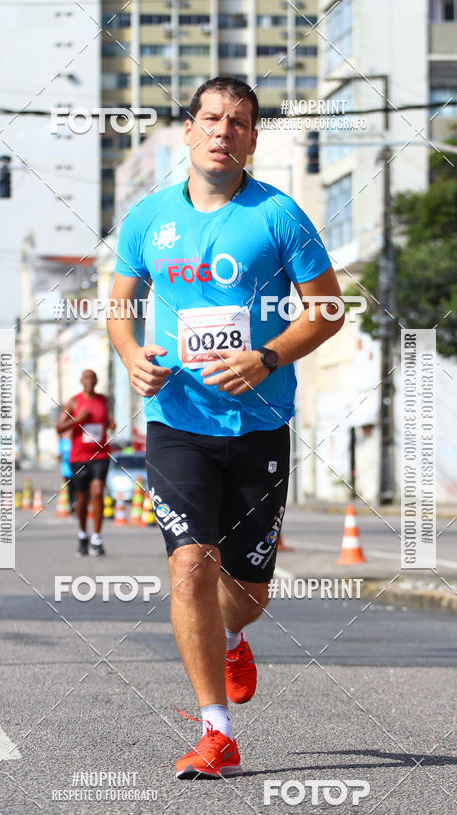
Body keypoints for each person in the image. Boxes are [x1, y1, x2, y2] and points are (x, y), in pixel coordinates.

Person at [107, 77, 344, 778]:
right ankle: (217, 732)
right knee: (189, 569)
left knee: (244, 592)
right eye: (210, 118)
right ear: (187, 129)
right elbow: (120, 307)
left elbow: (328, 311)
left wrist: (267, 357)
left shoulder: (279, 216)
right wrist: (131, 358)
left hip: (260, 422)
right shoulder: (147, 219)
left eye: (237, 122)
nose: (222, 131)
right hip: (176, 420)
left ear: (252, 138)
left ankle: (232, 637)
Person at [56, 370, 115, 556]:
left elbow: (106, 421)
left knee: (98, 492)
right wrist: (77, 419)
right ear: (81, 381)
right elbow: (59, 427)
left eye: (93, 378)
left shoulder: (103, 400)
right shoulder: (73, 402)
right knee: (82, 499)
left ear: (96, 381)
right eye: (86, 378)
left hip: (100, 454)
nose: (90, 381)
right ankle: (83, 535)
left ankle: (96, 538)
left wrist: (111, 423)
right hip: (79, 457)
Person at [57, 428, 76, 513]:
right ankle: (70, 506)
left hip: (75, 467)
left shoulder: (74, 440)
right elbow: (58, 455)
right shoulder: (62, 442)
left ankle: (75, 504)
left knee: (76, 488)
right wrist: (60, 456)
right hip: (66, 468)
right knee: (68, 488)